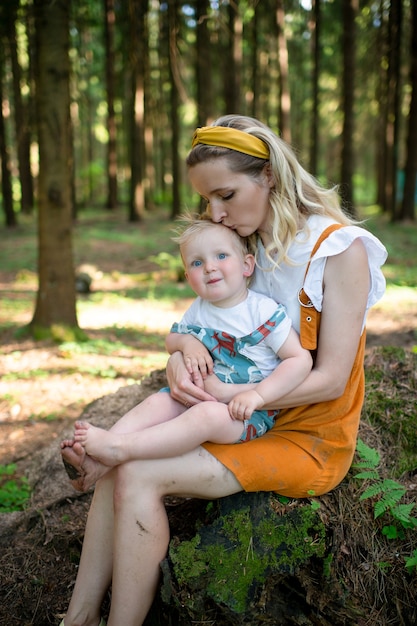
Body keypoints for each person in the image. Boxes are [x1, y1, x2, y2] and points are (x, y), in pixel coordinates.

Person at [59, 115, 387, 626]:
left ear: (270, 177)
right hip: (236, 413)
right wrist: (179, 355)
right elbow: (213, 322)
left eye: (226, 195)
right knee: (118, 466)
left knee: (139, 473)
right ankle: (76, 617)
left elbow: (330, 380)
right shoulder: (247, 240)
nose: (217, 213)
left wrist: (225, 395)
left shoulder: (339, 252)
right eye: (208, 201)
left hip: (305, 436)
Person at [71, 217, 312, 468]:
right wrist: (187, 343)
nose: (209, 267)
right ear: (188, 277)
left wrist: (258, 396)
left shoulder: (262, 311)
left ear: (246, 265)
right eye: (198, 262)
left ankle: (121, 449)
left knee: (205, 415)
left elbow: (299, 359)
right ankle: (99, 457)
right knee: (157, 402)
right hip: (197, 397)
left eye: (221, 256)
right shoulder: (199, 310)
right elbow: (172, 339)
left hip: (246, 414)